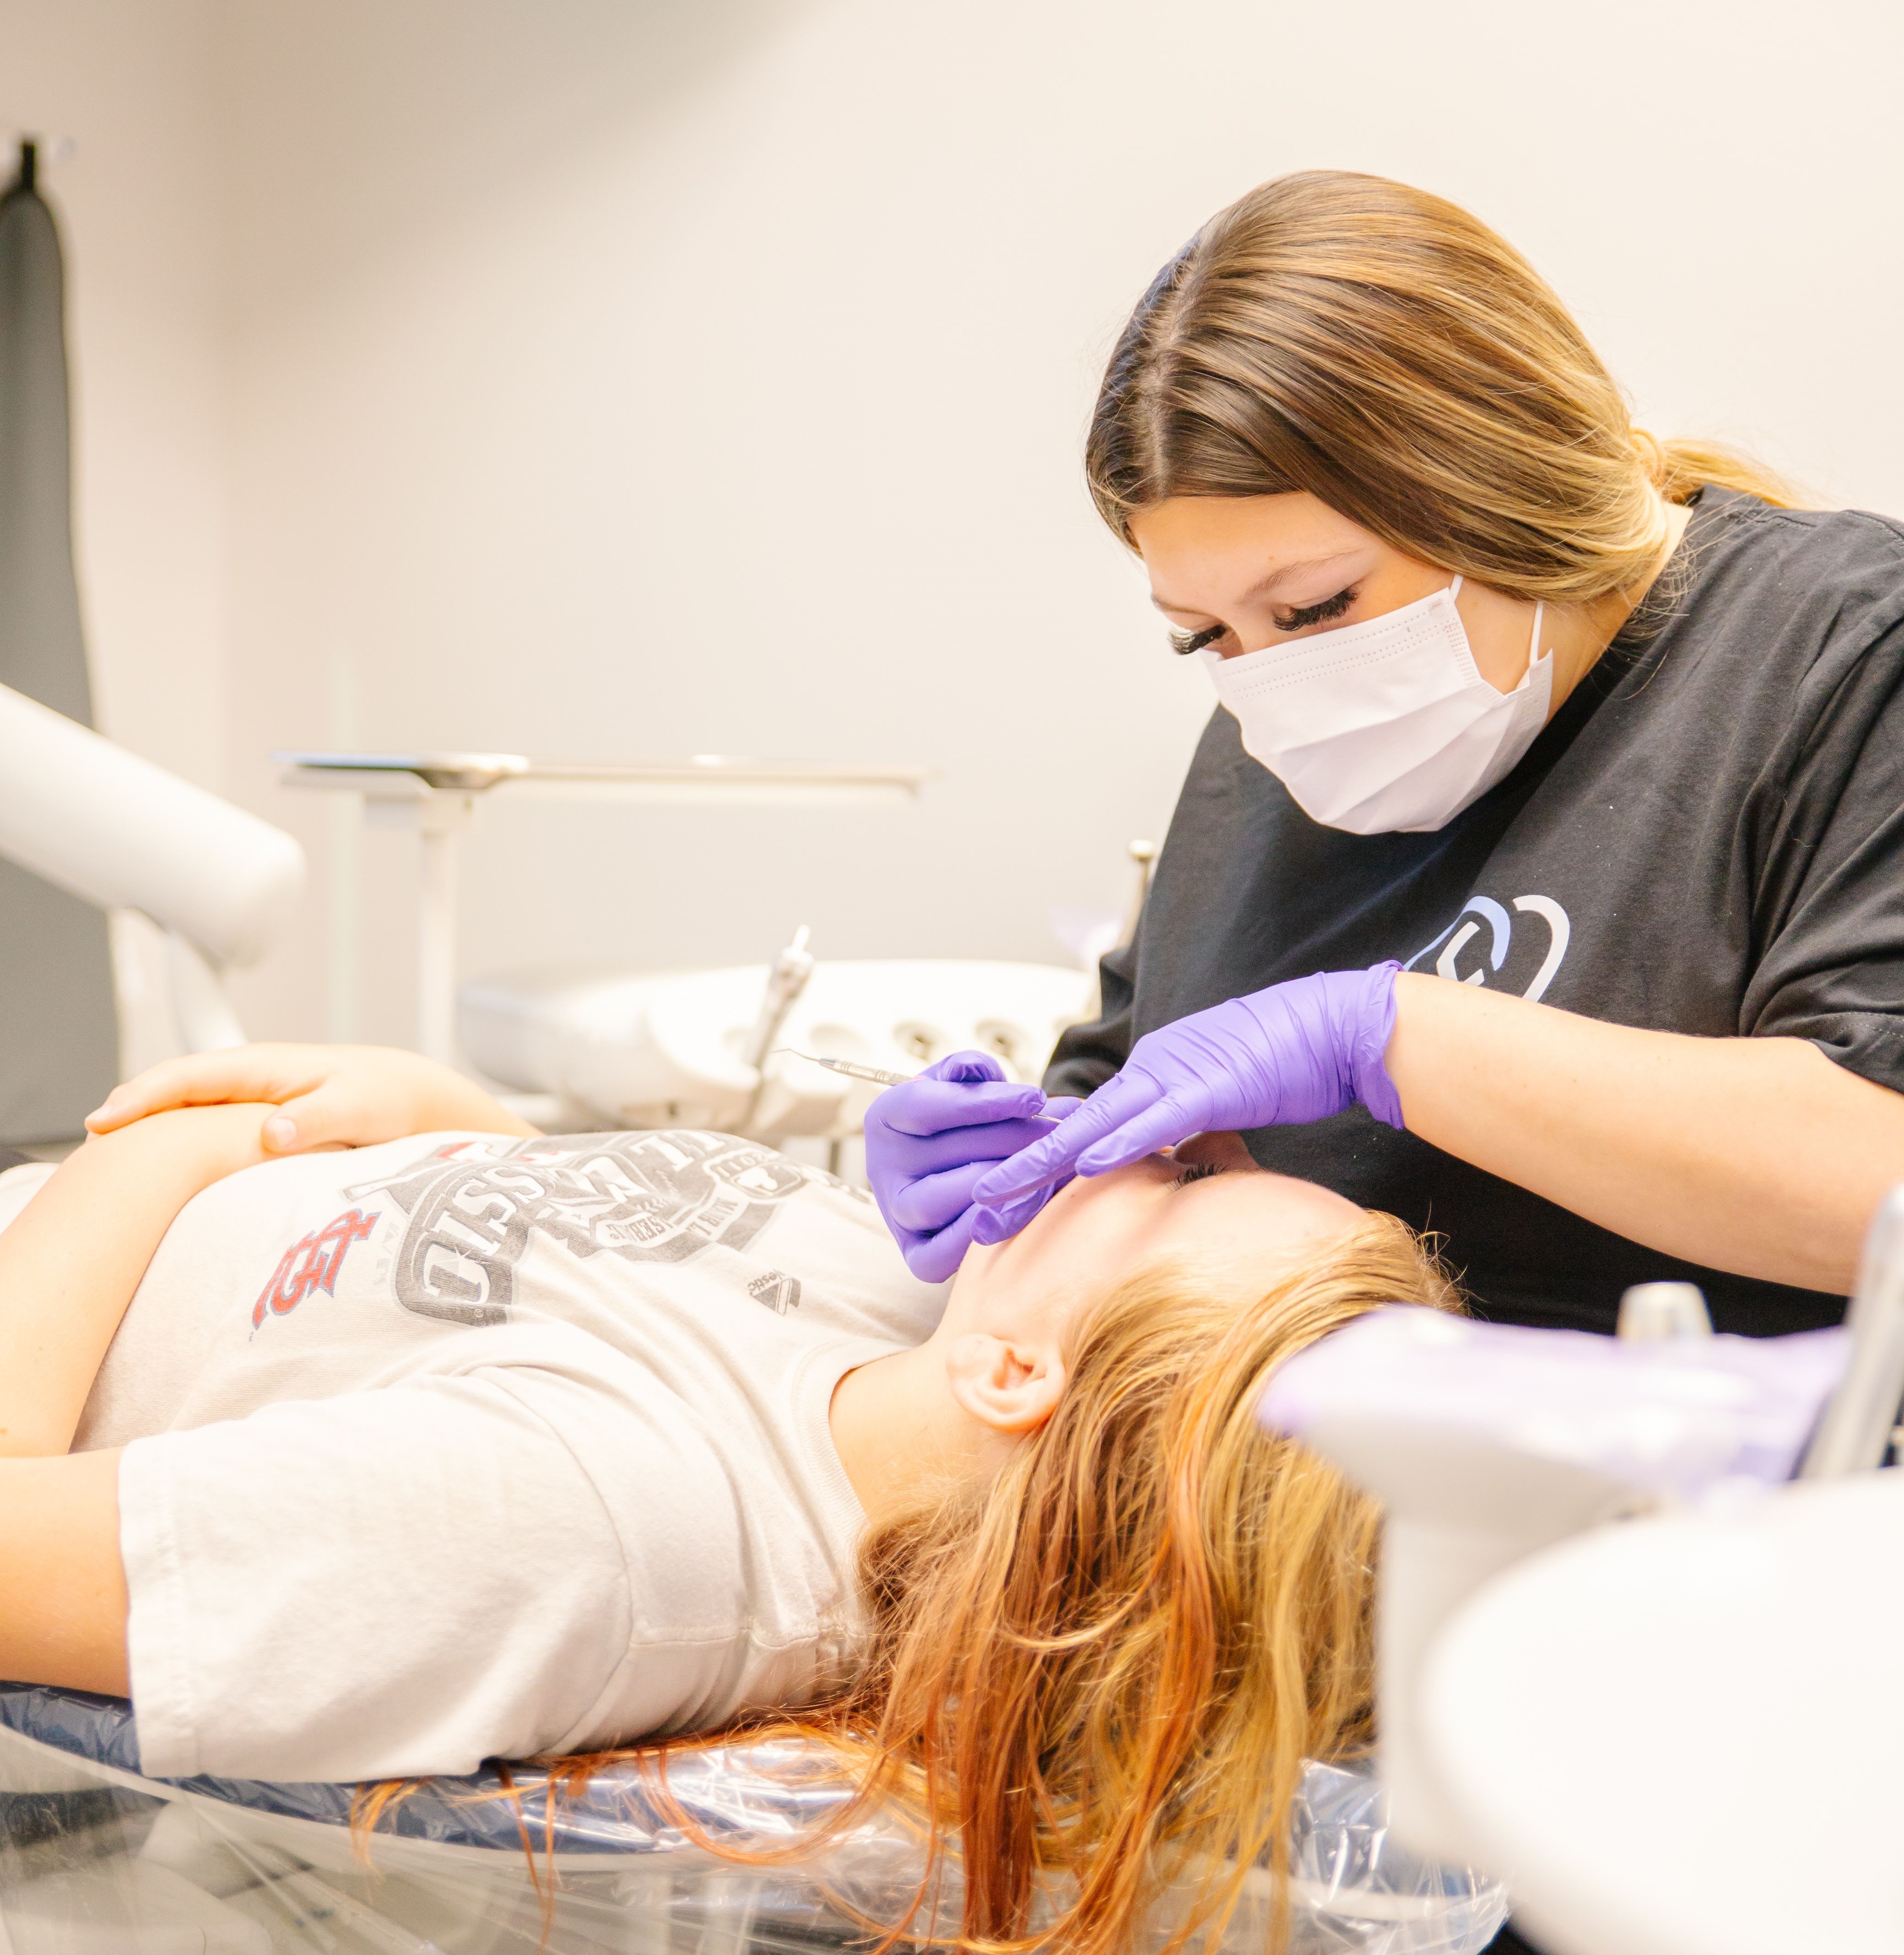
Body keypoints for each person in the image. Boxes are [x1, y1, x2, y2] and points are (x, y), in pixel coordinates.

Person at [6, 1051, 1457, 1955]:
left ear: (1021, 1372)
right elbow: (580, 1307)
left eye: (1183, 1178)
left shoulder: (592, 1535)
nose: (1143, 1129)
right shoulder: (906, 1327)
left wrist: (177, 1150)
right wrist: (454, 1125)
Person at [858, 168, 1904, 1349]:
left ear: (1495, 487)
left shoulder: (1840, 649)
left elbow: (1883, 1174)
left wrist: (1393, 1040)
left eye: (1311, 607)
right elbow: (1122, 1088)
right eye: (1204, 635)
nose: (1269, 684)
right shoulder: (1269, 743)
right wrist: (1027, 1169)